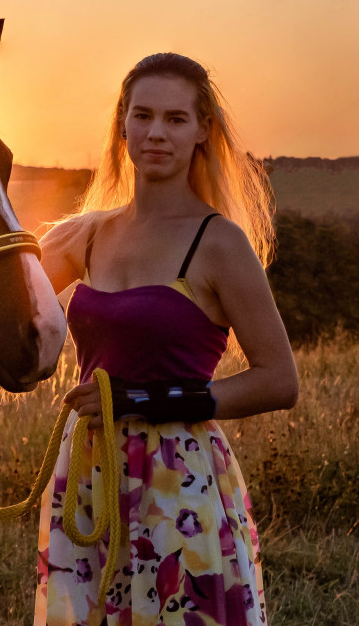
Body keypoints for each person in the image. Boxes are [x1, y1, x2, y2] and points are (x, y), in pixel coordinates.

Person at [34, 53, 297, 625]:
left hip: (178, 476)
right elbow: (0, 302)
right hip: (89, 469)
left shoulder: (220, 243)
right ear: (122, 125)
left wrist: (151, 401)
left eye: (176, 119)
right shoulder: (85, 235)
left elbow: (280, 380)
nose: (156, 132)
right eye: (142, 115)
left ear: (203, 131)